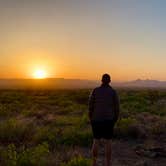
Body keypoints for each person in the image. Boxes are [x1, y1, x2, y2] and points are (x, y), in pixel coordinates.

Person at [88, 74, 120, 166]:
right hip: (109, 120)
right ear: (109, 81)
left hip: (96, 119)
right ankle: (108, 163)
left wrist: (91, 117)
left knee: (96, 140)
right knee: (108, 141)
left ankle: (94, 163)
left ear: (101, 80)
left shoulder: (95, 91)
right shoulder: (113, 92)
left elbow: (90, 106)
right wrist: (115, 119)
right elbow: (117, 108)